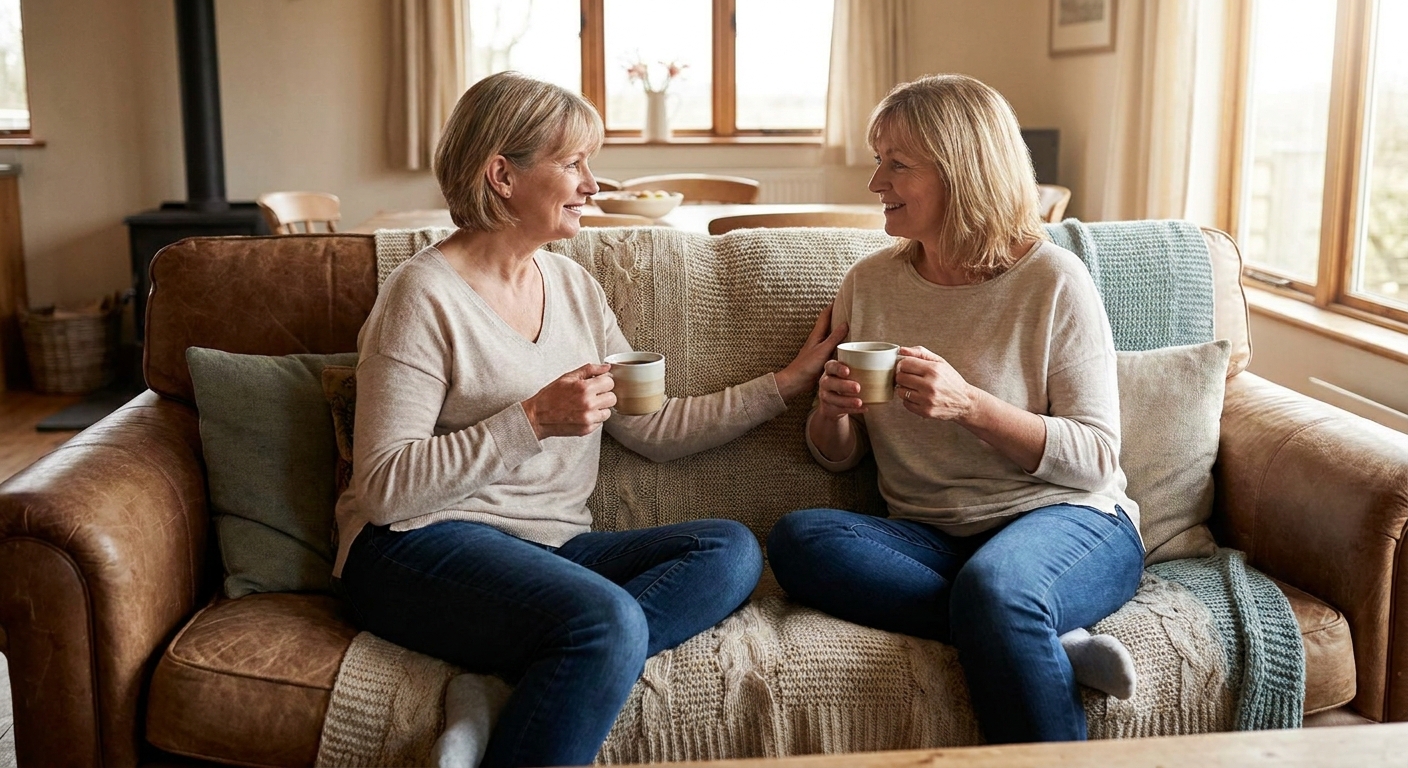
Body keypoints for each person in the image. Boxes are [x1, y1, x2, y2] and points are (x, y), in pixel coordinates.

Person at [333, 71, 845, 768]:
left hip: (550, 550)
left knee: (729, 552)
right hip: (415, 547)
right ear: (502, 175)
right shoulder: (422, 296)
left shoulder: (573, 286)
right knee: (604, 620)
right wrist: (534, 418)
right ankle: (585, 649)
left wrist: (785, 385)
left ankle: (525, 678)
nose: (592, 184)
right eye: (573, 163)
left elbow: (652, 429)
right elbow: (385, 488)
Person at [765, 74, 1145, 744]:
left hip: (1067, 519)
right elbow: (837, 456)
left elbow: (1094, 458)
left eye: (897, 164)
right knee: (800, 542)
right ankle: (1040, 637)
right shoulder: (871, 283)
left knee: (1000, 589)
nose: (876, 182)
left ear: (963, 171)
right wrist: (833, 410)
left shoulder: (1053, 281)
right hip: (932, 534)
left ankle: (1015, 623)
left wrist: (970, 404)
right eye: (878, 159)